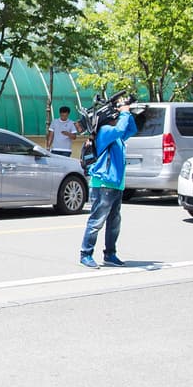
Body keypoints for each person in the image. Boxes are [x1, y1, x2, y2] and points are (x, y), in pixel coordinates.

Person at [79, 101, 136, 269]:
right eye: (115, 116)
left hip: (116, 184)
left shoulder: (116, 137)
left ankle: (110, 254)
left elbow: (131, 130)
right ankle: (86, 254)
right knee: (97, 220)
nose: (118, 118)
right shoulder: (104, 132)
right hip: (103, 183)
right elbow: (120, 129)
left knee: (114, 222)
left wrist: (128, 112)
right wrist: (124, 112)